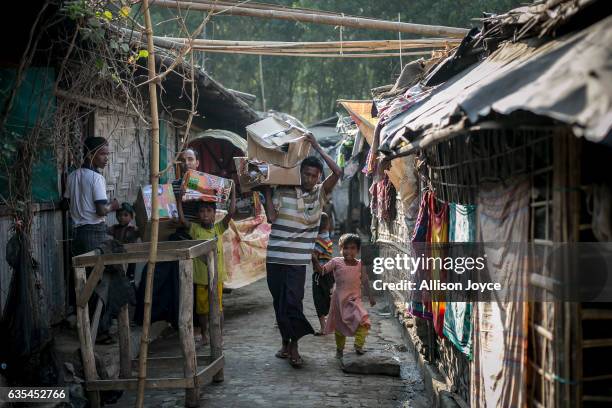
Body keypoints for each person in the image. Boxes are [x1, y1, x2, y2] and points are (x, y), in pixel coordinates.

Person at [263, 132, 342, 368]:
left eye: (314, 175)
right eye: (306, 174)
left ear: (318, 178)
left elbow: (338, 172)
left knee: (293, 303)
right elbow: (271, 217)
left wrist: (316, 145)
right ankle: (286, 343)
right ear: (299, 174)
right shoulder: (282, 190)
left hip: (297, 262)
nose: (309, 178)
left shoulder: (320, 194)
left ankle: (295, 347)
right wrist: (267, 189)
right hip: (275, 257)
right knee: (279, 303)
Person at [177, 182, 236, 346]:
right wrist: (179, 198)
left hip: (216, 276)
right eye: (202, 211)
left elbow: (231, 212)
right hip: (201, 278)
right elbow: (182, 220)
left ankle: (219, 335)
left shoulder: (218, 228)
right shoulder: (195, 229)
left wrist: (233, 192)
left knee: (218, 308)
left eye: (209, 211)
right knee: (202, 310)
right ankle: (204, 335)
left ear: (214, 213)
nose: (205, 214)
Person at [319, 233, 376, 358]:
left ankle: (358, 345)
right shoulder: (336, 262)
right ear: (340, 249)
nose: (348, 251)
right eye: (345, 248)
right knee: (340, 327)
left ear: (358, 250)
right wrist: (314, 259)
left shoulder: (360, 264)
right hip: (339, 300)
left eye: (352, 248)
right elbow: (322, 271)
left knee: (363, 321)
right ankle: (339, 349)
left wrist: (371, 296)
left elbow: (365, 280)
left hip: (354, 300)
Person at [64, 137, 120, 256]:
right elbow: (101, 211)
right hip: (94, 233)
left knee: (81, 272)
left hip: (76, 233)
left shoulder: (72, 176)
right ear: (90, 154)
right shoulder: (97, 178)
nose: (106, 158)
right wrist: (112, 206)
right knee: (95, 272)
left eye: (107, 154)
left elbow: (65, 204)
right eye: (102, 154)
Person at [311, 212, 334, 335]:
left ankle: (324, 327)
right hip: (328, 274)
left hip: (320, 275)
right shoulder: (326, 238)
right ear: (328, 225)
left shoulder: (321, 240)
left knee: (319, 300)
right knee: (328, 299)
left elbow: (313, 254)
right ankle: (329, 325)